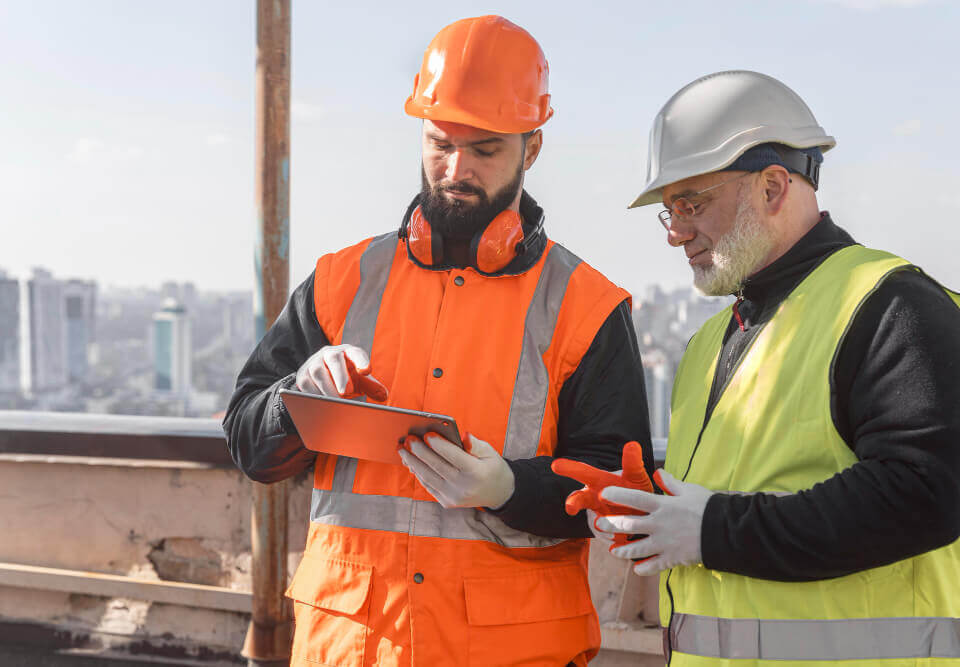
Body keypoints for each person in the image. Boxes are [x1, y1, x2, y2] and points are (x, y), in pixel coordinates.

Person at [223, 15, 654, 667]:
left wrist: (507, 485)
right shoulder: (342, 281)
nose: (457, 168)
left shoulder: (586, 306)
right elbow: (250, 445)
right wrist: (294, 400)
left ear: (531, 148)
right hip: (352, 647)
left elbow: (617, 488)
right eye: (439, 142)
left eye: (485, 150)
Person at [593, 70, 960, 665]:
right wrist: (656, 507)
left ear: (774, 187)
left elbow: (921, 495)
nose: (676, 233)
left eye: (692, 203)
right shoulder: (712, 341)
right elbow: (753, 484)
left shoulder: (894, 307)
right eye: (668, 210)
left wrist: (711, 530)